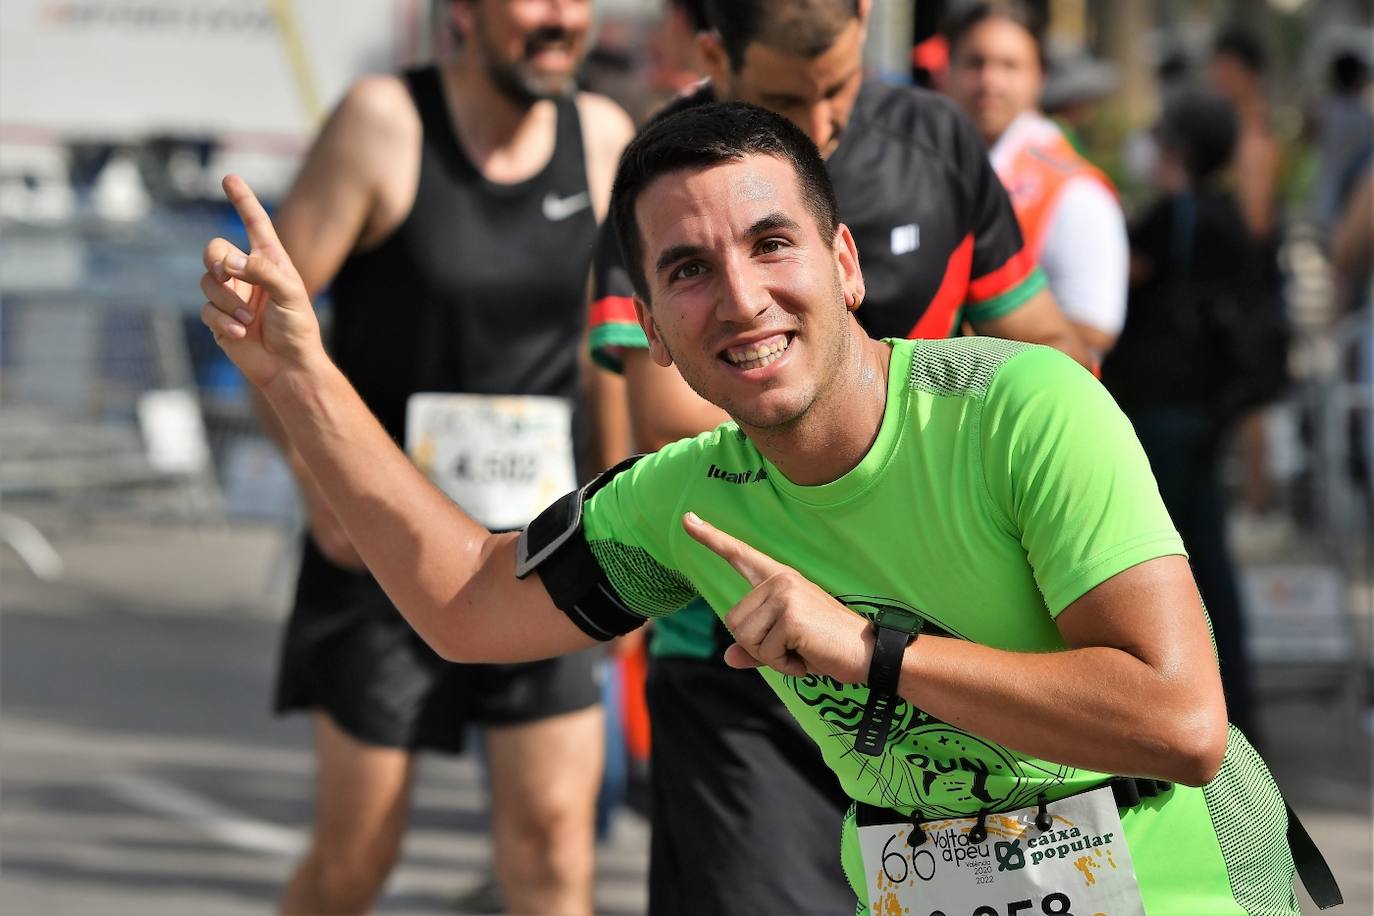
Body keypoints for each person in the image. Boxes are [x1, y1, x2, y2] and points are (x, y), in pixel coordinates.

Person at [199, 100, 1335, 916]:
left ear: (845, 261)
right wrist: (300, 373)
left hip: (1177, 879)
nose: (740, 297)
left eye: (770, 242)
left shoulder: (1020, 408)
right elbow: (466, 603)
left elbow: (1182, 724)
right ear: (648, 322)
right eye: (687, 270)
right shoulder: (688, 502)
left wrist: (872, 652)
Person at [586, 2, 1089, 911]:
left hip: (942, 653)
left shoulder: (936, 138)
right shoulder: (669, 178)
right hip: (743, 662)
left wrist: (1045, 422)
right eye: (785, 94)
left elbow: (1044, 342)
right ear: (714, 54)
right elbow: (662, 421)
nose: (819, 123)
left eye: (841, 89)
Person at [253, 1, 634, 912]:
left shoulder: (605, 135)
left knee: (552, 846)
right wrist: (318, 484)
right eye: (533, 0)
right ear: (464, 12)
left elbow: (609, 352)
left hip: (545, 546)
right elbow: (272, 328)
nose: (561, 20)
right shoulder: (384, 122)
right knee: (356, 860)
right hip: (385, 544)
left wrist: (628, 521)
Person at [1100, 89, 1271, 745]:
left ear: (1179, 149)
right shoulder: (1229, 215)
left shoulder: (1173, 217)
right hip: (1209, 408)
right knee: (1209, 553)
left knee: (1164, 559)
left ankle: (1189, 698)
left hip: (1164, 411)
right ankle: (1234, 702)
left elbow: (1125, 282)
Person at [942, 1, 1129, 357]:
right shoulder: (929, 165)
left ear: (1040, 77)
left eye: (1009, 65)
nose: (990, 81)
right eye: (974, 62)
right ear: (947, 69)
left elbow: (1094, 329)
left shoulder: (1075, 190)